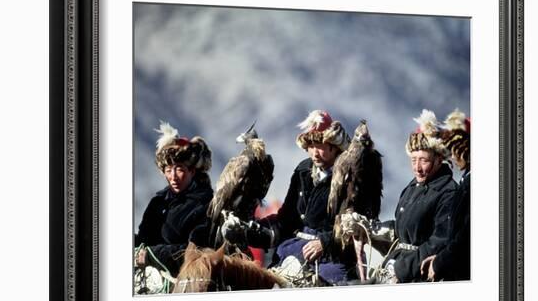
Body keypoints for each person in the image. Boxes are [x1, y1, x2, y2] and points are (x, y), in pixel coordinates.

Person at [224, 110, 356, 285]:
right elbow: (287, 220)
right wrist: (248, 231)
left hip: (333, 257)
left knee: (335, 291)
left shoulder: (350, 177)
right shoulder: (303, 171)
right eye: (310, 145)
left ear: (333, 146)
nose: (315, 152)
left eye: (320, 145)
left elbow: (356, 224)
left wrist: (324, 242)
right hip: (294, 249)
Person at [379, 109, 458, 283]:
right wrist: (374, 230)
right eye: (413, 160)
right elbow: (406, 228)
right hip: (397, 263)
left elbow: (439, 241)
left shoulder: (448, 193)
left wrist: (402, 270)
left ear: (439, 159)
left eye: (424, 160)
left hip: (419, 275)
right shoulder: (413, 186)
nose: (417, 167)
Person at [135, 122, 213, 278]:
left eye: (179, 169)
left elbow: (198, 251)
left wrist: (152, 256)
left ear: (192, 171)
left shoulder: (205, 204)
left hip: (183, 280)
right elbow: (144, 239)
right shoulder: (158, 202)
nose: (173, 177)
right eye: (168, 170)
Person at [420, 109, 470, 281]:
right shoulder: (466, 180)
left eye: (456, 149)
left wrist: (440, 262)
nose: (453, 156)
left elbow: (466, 236)